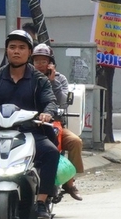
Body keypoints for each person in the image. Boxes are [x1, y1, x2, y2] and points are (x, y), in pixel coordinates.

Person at [0, 27, 62, 219]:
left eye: (21, 47)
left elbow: (50, 101)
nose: (16, 51)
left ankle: (42, 202)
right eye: (12, 47)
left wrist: (47, 114)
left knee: (51, 152)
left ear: (29, 52)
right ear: (6, 50)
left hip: (30, 133)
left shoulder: (39, 80)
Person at [31, 42, 84, 200]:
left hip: (54, 123)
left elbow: (62, 101)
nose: (40, 65)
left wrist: (52, 81)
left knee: (75, 142)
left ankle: (69, 182)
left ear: (50, 63)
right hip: (30, 124)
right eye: (37, 61)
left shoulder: (60, 78)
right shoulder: (27, 78)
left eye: (44, 61)